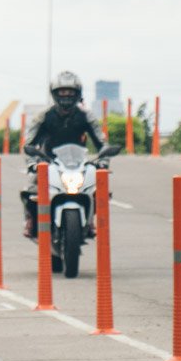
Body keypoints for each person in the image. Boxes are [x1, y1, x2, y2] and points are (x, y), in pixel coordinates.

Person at [21, 71, 109, 238]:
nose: (66, 96)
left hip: (78, 162)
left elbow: (101, 141)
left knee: (98, 187)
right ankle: (31, 220)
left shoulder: (86, 115)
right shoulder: (44, 115)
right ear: (54, 93)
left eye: (70, 92)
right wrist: (33, 161)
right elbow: (29, 143)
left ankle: (90, 220)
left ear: (78, 93)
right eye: (62, 92)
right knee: (31, 189)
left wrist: (103, 160)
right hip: (49, 161)